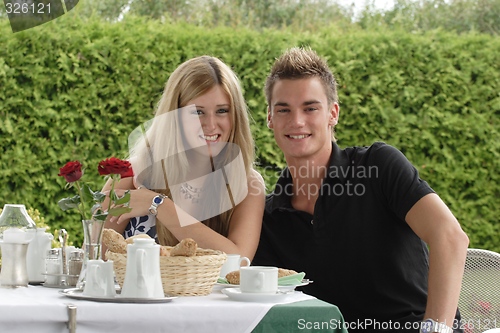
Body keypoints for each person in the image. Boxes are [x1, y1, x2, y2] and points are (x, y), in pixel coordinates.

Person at [252, 47, 469, 333]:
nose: (297, 121)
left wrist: (436, 330)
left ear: (333, 113)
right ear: (270, 118)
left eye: (310, 108)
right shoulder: (268, 217)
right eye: (283, 110)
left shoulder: (379, 166)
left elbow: (450, 237)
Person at [102, 55, 265, 260]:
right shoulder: (130, 175)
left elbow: (238, 260)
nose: (211, 124)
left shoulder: (248, 184)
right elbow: (95, 262)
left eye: (222, 111)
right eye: (198, 112)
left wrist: (157, 205)